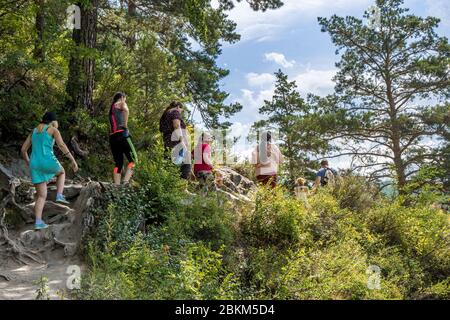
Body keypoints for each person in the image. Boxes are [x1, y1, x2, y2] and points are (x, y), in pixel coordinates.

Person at [21, 112, 79, 230]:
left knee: (41, 195)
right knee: (62, 172)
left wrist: (29, 163)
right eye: (57, 121)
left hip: (35, 164)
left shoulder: (34, 131)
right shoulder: (53, 130)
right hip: (47, 160)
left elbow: (23, 150)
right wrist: (73, 160)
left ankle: (38, 222)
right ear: (53, 121)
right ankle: (59, 195)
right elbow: (62, 145)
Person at [109, 92, 138, 185]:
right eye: (125, 98)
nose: (125, 101)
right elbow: (126, 110)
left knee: (118, 163)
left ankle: (117, 186)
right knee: (134, 159)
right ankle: (125, 182)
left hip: (113, 138)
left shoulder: (112, 108)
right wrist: (125, 125)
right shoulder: (121, 103)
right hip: (123, 135)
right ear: (121, 97)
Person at [159, 101, 191, 180]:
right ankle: (182, 187)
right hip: (176, 141)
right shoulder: (175, 112)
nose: (180, 112)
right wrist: (182, 140)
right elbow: (177, 125)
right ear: (177, 107)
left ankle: (168, 185)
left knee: (169, 162)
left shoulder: (165, 115)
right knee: (186, 162)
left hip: (167, 141)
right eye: (181, 110)